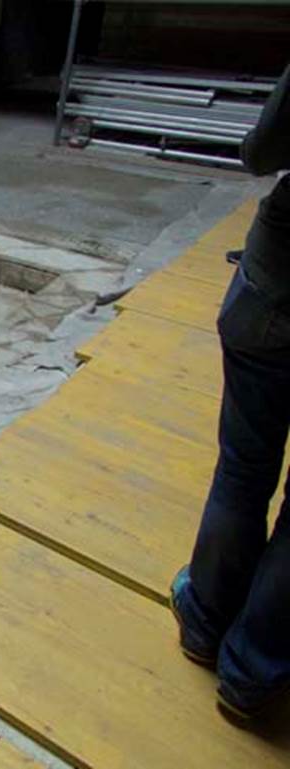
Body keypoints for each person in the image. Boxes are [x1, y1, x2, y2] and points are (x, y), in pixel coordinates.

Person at [170, 61, 290, 724]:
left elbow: (262, 150)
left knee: (243, 466)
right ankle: (251, 671)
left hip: (278, 279)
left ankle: (206, 619)